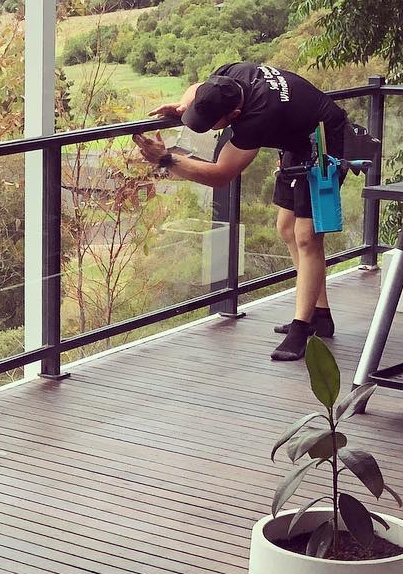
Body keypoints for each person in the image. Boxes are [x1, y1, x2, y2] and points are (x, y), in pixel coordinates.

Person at [134, 60, 349, 361]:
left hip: (325, 140)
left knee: (307, 236)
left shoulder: (257, 117)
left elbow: (222, 174)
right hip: (297, 138)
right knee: (287, 228)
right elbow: (196, 89)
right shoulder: (230, 75)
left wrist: (167, 159)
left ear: (234, 115)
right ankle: (320, 316)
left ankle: (301, 329)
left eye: (211, 124)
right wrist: (184, 106)